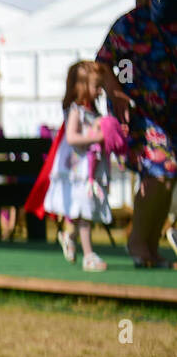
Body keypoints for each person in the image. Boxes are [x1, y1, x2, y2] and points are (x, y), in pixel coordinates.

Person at [97, 0, 177, 268]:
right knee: (161, 169)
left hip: (170, 115)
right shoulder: (131, 23)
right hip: (138, 113)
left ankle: (150, 247)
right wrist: (117, 93)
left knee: (166, 179)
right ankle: (138, 243)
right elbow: (103, 64)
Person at [45, 63, 111, 272]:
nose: (100, 91)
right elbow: (72, 137)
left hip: (91, 168)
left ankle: (69, 236)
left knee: (84, 209)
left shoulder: (94, 111)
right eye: (96, 86)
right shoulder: (77, 111)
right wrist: (96, 138)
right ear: (82, 86)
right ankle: (89, 254)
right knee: (84, 213)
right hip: (78, 169)